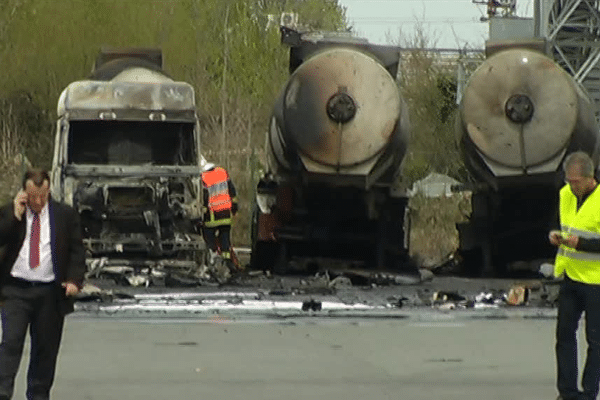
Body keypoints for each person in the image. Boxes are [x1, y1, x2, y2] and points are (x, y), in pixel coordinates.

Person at [0, 168, 85, 400]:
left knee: (45, 350)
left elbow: (77, 251)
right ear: (23, 193)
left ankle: (38, 394)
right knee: (10, 343)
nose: (38, 201)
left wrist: (74, 280)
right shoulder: (10, 213)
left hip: (49, 292)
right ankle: (3, 391)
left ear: (49, 191)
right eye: (33, 196)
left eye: (43, 195)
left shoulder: (64, 216)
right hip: (15, 290)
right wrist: (15, 216)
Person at [549, 151, 600, 400]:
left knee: (596, 341)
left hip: (596, 281)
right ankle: (567, 392)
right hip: (571, 275)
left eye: (575, 182)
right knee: (564, 336)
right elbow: (565, 225)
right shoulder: (565, 194)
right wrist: (556, 235)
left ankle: (589, 393)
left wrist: (580, 244)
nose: (571, 186)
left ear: (590, 178)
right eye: (568, 181)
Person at [200, 158, 238, 271]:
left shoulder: (203, 177)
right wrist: (234, 206)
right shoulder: (222, 172)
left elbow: (204, 197)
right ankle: (227, 263)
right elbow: (232, 191)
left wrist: (202, 211)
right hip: (226, 215)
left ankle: (211, 262)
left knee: (209, 240)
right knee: (225, 239)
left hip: (212, 216)